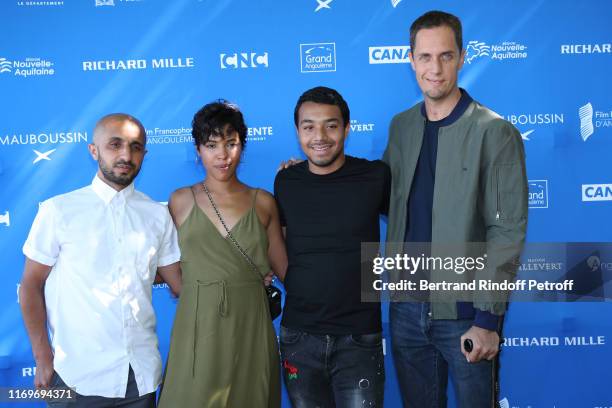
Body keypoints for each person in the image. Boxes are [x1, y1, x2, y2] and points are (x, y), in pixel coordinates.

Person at [383, 10, 528, 408]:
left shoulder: (494, 131)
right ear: (410, 59)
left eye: (446, 56)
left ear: (462, 57)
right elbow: (385, 198)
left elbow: (506, 231)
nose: (435, 68)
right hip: (407, 311)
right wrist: (310, 174)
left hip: (466, 316)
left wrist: (486, 320)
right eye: (425, 57)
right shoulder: (401, 128)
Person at [19, 113, 182, 408]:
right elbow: (30, 285)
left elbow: (181, 283)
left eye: (135, 147)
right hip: (75, 377)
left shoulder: (157, 215)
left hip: (140, 377)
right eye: (115, 145)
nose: (125, 155)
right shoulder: (59, 211)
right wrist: (42, 357)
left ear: (144, 154)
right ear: (93, 150)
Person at [157, 100, 286, 408]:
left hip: (251, 322)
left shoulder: (263, 202)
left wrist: (303, 184)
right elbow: (161, 263)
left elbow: (285, 268)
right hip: (197, 323)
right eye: (212, 144)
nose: (222, 155)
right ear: (198, 149)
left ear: (242, 145)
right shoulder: (180, 201)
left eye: (231, 143)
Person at [274, 86, 390, 407]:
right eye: (309, 126)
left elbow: (417, 222)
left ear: (347, 129)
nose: (319, 136)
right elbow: (278, 244)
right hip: (298, 336)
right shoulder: (285, 181)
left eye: (331, 125)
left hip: (359, 337)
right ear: (297, 131)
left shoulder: (375, 176)